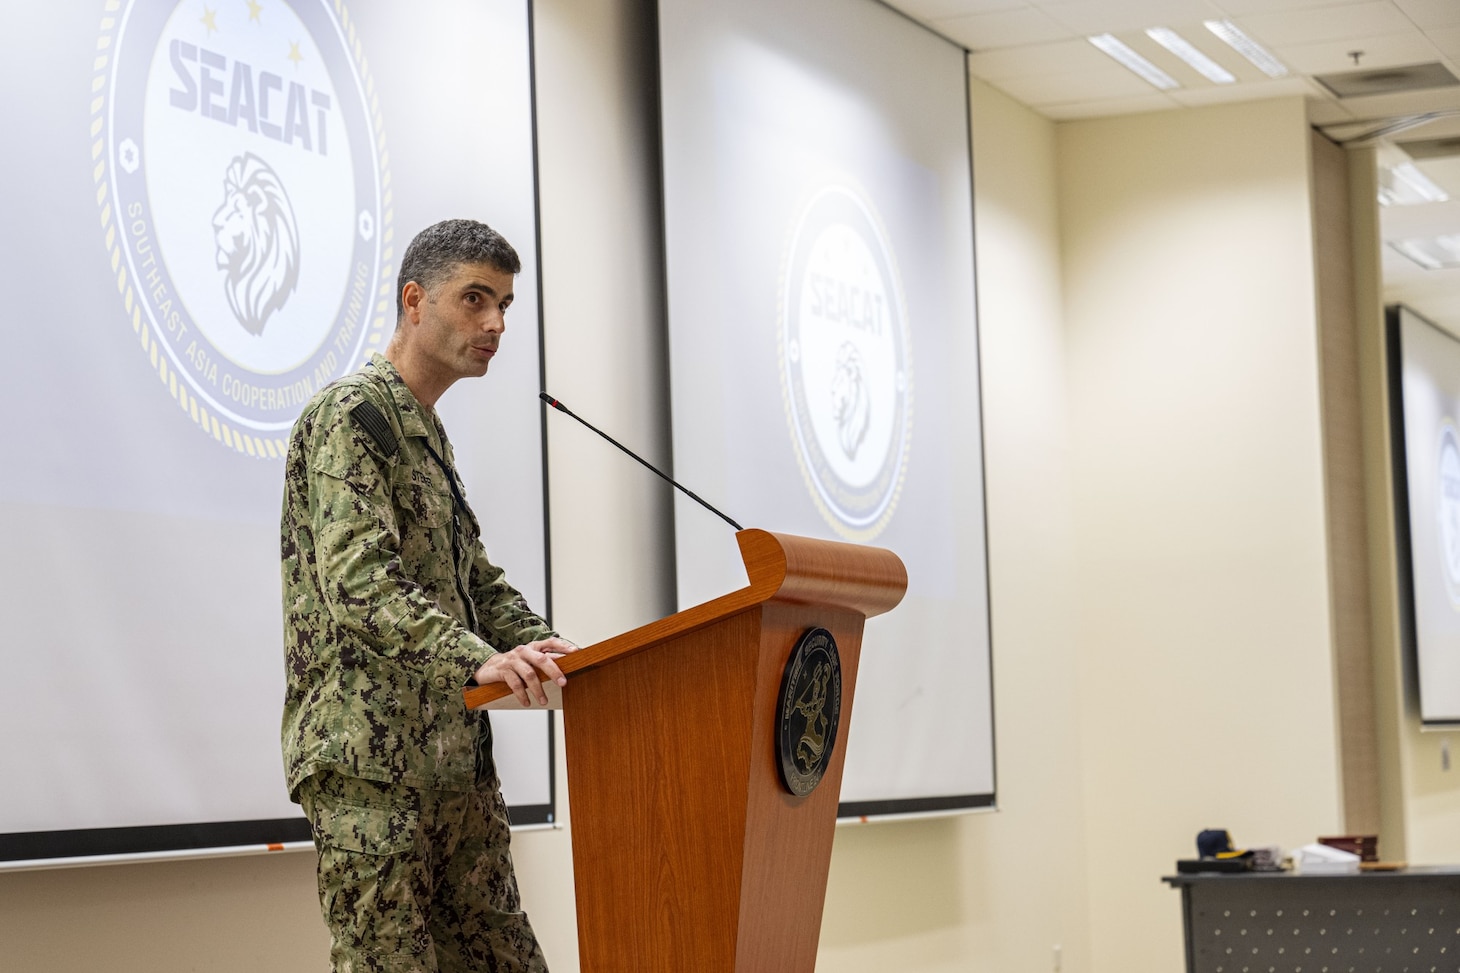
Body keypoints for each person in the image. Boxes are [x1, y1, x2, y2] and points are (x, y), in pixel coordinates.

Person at [280, 218, 576, 972]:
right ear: (415, 300)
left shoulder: (425, 431)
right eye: (475, 299)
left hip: (454, 771)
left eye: (505, 304)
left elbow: (472, 579)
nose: (496, 324)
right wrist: (481, 662)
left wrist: (556, 647)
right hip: (372, 776)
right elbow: (360, 585)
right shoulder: (351, 415)